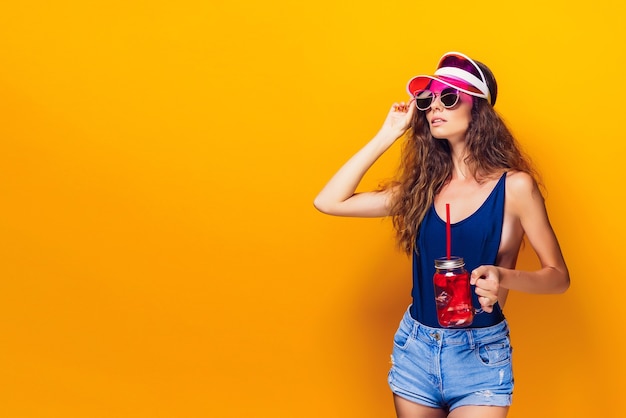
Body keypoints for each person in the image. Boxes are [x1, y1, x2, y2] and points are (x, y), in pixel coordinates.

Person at [313, 51, 570, 418]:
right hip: (415, 348)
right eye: (428, 100)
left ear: (477, 109)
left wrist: (502, 276)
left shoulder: (514, 188)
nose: (435, 107)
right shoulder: (421, 188)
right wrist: (386, 135)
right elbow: (329, 201)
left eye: (449, 98)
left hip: (479, 353)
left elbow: (558, 278)